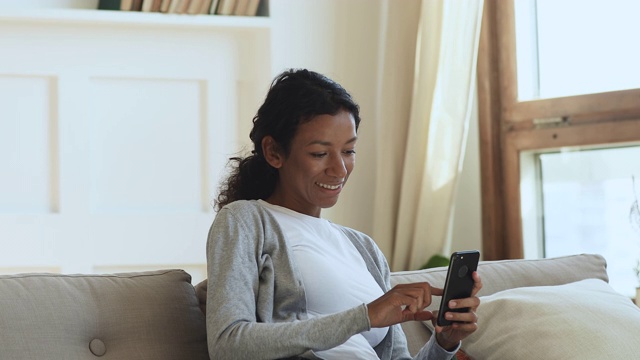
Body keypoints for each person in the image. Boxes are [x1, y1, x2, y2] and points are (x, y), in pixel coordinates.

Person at [205, 69, 482, 360]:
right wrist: (365, 316)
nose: (339, 170)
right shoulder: (245, 221)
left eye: (348, 151)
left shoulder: (364, 248)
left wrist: (445, 343)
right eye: (319, 154)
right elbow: (228, 344)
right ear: (274, 152)